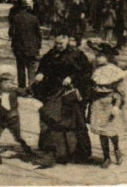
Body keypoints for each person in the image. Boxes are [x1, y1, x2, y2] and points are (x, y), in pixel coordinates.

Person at [32, 29, 93, 166]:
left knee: (76, 123)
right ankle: (52, 153)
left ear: (67, 40)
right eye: (56, 43)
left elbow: (86, 72)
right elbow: (43, 67)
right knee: (50, 119)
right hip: (54, 92)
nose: (59, 46)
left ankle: (80, 152)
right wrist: (40, 74)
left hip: (72, 94)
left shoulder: (77, 54)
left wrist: (71, 77)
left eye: (61, 43)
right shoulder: (51, 54)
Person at [88, 43, 126, 168]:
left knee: (110, 131)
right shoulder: (95, 68)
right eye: (96, 55)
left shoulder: (114, 71)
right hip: (97, 103)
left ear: (108, 56)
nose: (97, 58)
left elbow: (120, 92)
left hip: (109, 103)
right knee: (101, 131)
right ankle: (106, 157)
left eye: (101, 55)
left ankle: (116, 149)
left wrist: (117, 106)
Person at [0, 66, 34, 165]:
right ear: (0, 84)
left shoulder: (15, 91)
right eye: (6, 83)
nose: (8, 85)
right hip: (1, 118)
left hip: (13, 118)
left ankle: (27, 150)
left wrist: (33, 86)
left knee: (18, 137)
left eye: (10, 82)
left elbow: (26, 91)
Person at [8, 0, 42, 89]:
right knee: (32, 69)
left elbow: (11, 33)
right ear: (28, 6)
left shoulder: (16, 18)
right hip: (32, 49)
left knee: (21, 68)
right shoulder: (34, 18)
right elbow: (39, 35)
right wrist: (38, 47)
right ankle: (31, 88)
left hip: (19, 48)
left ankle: (21, 88)